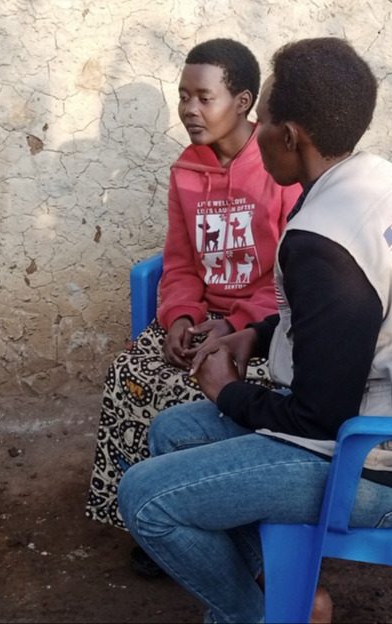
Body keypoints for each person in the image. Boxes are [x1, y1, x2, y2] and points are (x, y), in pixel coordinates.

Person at [117, 37, 392, 624]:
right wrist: (258, 337)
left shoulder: (323, 244)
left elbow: (321, 419)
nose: (257, 130)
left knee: (144, 499)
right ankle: (282, 598)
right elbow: (343, 323)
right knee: (171, 431)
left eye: (263, 119)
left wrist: (227, 392)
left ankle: (264, 615)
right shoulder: (381, 180)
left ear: (291, 135)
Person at [83, 38, 302, 576]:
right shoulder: (186, 171)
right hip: (203, 320)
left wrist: (231, 323)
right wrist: (179, 319)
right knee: (130, 374)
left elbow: (290, 279)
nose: (189, 109)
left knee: (203, 390)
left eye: (204, 97)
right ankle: (155, 522)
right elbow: (178, 263)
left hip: (262, 326)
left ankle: (209, 511)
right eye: (183, 97)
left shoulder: (277, 167)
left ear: (243, 101)